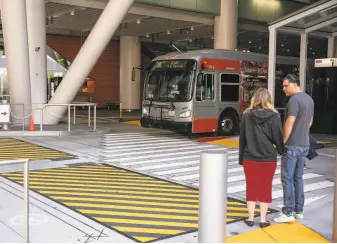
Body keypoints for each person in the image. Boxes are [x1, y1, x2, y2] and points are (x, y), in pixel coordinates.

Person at [239, 88, 285, 228]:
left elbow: (243, 139)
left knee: (251, 187)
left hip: (250, 158)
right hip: (268, 159)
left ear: (255, 99)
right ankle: (263, 220)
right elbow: (278, 137)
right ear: (268, 100)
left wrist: (241, 158)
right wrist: (282, 151)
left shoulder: (246, 116)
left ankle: (251, 218)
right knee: (265, 188)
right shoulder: (274, 117)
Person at [274, 74, 314, 223]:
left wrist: (283, 142)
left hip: (292, 146)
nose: (283, 88)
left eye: (285, 85)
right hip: (304, 145)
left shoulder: (294, 100)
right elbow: (310, 122)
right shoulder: (309, 99)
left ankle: (288, 212)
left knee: (287, 178)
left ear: (294, 84)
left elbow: (289, 122)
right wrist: (302, 133)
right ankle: (299, 210)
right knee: (298, 178)